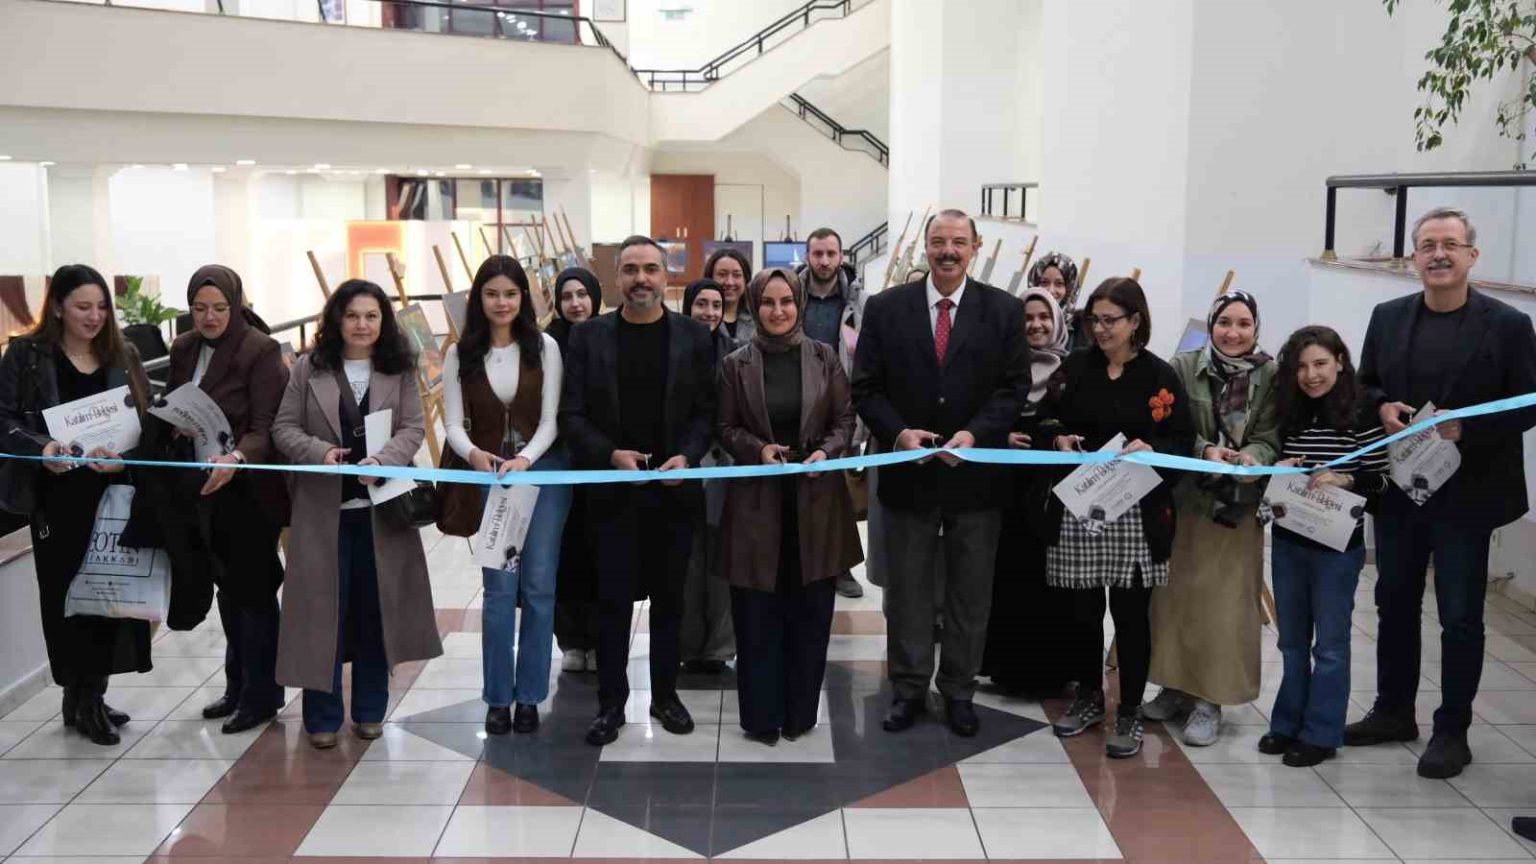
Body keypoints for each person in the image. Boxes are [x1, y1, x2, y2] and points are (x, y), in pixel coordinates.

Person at [1346, 207, 1536, 779]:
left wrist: (1466, 427)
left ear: (1472, 256)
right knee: (1394, 603)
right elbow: (1364, 385)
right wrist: (1381, 406)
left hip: (1467, 496)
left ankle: (1453, 730)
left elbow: (1528, 402)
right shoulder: (1387, 317)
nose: (1438, 254)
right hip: (1402, 491)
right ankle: (1393, 711)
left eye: (1450, 244)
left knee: (1459, 616)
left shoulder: (1509, 325)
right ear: (1414, 258)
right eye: (1427, 244)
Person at [851, 208, 1030, 738]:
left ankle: (958, 690)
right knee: (907, 592)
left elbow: (1013, 388)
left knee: (969, 593)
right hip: (909, 476)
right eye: (938, 241)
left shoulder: (1003, 311)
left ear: (975, 247)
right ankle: (908, 688)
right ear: (925, 247)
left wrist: (975, 434)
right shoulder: (886, 308)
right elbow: (866, 387)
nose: (947, 251)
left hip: (976, 480)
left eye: (958, 242)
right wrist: (898, 434)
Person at [559, 235, 716, 746]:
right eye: (630, 270)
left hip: (674, 492)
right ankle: (611, 703)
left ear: (666, 276)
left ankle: (665, 695)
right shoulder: (588, 338)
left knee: (671, 602)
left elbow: (707, 412)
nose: (641, 279)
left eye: (650, 268)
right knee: (612, 604)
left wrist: (687, 456)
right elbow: (571, 415)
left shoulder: (695, 336)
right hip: (611, 496)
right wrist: (610, 455)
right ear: (616, 278)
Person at [272, 279, 442, 749]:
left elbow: (412, 427)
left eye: (371, 316)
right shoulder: (309, 368)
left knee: (375, 612)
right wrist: (319, 452)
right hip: (322, 514)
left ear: (383, 321)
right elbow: (283, 427)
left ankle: (370, 710)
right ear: (336, 320)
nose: (362, 325)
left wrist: (384, 460)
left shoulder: (398, 368)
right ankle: (322, 717)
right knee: (321, 614)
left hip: (381, 513)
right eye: (352, 316)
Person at [0, 265, 153, 746]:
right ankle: (81, 698)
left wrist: (125, 459)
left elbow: (143, 420)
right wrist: (42, 448)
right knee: (67, 597)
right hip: (57, 496)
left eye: (102, 307)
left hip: (112, 491)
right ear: (58, 307)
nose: (94, 316)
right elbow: (4, 418)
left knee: (108, 595)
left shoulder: (122, 353)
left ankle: (91, 695)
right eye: (83, 306)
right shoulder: (26, 355)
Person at [1042, 277, 1195, 758]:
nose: (1101, 329)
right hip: (1080, 507)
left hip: (1136, 513)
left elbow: (1182, 441)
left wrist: (1153, 448)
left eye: (1111, 320)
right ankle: (1089, 696)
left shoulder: (1159, 376)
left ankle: (1129, 709)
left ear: (1135, 321)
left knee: (1131, 617)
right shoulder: (1073, 368)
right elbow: (1044, 420)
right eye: (1094, 320)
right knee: (1083, 612)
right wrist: (1058, 439)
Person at [718, 267, 861, 745]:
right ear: (754, 306)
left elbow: (845, 419)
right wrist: (758, 449)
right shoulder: (735, 364)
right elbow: (725, 427)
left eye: (786, 301)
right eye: (768, 302)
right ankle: (762, 717)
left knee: (811, 615)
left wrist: (827, 451)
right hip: (756, 505)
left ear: (799, 304)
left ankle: (800, 714)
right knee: (756, 616)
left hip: (815, 501)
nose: (777, 311)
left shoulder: (824, 357)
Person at [437, 256, 570, 735]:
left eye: (510, 294)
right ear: (479, 299)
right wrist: (474, 454)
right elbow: (453, 423)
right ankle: (498, 697)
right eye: (492, 294)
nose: (501, 302)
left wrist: (527, 459)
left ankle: (530, 696)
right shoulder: (460, 354)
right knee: (498, 592)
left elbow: (551, 421)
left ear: (523, 298)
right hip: (490, 477)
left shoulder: (545, 347)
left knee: (538, 587)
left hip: (543, 474)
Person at [1144, 290, 1279, 745]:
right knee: (1175, 601)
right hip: (1186, 502)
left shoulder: (1270, 374)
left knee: (1223, 609)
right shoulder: (1183, 367)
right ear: (1211, 324)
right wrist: (1204, 450)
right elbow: (1169, 426)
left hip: (1236, 509)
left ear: (1255, 328)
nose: (1233, 332)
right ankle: (1174, 687)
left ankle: (1209, 699)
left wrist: (1252, 455)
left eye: (1243, 323)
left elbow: (1272, 433)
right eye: (1224, 322)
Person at [167, 265, 290, 735]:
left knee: (254, 592)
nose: (209, 317)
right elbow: (173, 402)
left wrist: (237, 457)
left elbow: (266, 426)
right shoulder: (184, 348)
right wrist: (174, 425)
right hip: (202, 489)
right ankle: (236, 686)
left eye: (219, 308)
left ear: (236, 306)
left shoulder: (259, 350)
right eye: (199, 308)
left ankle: (262, 694)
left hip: (249, 490)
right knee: (226, 590)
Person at [1259, 325, 1388, 767]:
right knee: (1291, 642)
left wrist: (1345, 478)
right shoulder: (1288, 410)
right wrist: (1280, 466)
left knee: (1330, 646)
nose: (1311, 375)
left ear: (1340, 362)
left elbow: (1382, 480)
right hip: (1289, 539)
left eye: (1320, 364)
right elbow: (1271, 463)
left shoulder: (1363, 411)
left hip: (1337, 548)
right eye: (1301, 367)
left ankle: (1321, 733)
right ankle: (1287, 723)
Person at [980, 288, 1077, 695]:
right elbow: (982, 415)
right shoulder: (1002, 366)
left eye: (1044, 317)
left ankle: (1053, 672)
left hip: (1055, 496)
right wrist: (1000, 435)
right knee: (1010, 577)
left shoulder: (1074, 370)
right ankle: (1008, 669)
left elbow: (1080, 423)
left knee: (1053, 581)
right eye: (1027, 317)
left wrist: (1054, 437)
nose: (1036, 325)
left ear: (1057, 321)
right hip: (1007, 492)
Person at [795, 227, 869, 600]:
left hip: (842, 406)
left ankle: (840, 566)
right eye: (817, 253)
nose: (824, 261)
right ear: (807, 256)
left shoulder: (860, 301)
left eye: (830, 253)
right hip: (795, 403)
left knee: (839, 494)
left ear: (841, 256)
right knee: (797, 487)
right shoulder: (791, 294)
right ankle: (800, 564)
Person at [678, 278, 738, 675]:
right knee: (686, 560)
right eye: (701, 304)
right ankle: (686, 645)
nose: (709, 313)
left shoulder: (735, 354)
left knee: (721, 560)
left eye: (716, 305)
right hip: (683, 467)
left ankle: (718, 648)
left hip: (724, 468)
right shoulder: (672, 349)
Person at [547, 267, 602, 673]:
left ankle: (599, 638)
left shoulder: (609, 336)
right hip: (558, 461)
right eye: (567, 296)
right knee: (562, 553)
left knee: (598, 551)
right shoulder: (546, 344)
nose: (576, 303)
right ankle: (570, 640)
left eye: (582, 294)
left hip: (600, 463)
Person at [1027, 252, 1083, 351]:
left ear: (1070, 289)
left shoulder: (1080, 331)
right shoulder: (1018, 323)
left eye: (1059, 284)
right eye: (1044, 283)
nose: (1050, 290)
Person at [704, 247, 755, 341]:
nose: (729, 282)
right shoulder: (699, 319)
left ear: (746, 280)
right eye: (722, 274)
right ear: (710, 278)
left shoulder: (757, 322)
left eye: (737, 275)